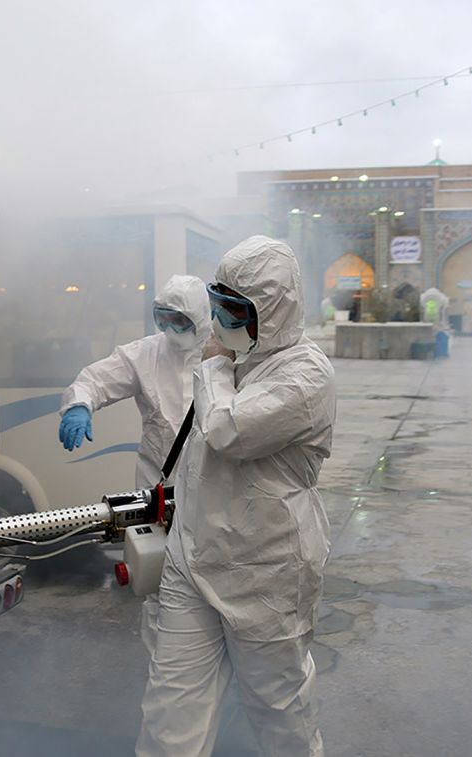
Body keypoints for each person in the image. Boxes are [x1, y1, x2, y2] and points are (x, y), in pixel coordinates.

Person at [137, 236, 336, 757]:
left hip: (264, 572)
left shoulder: (305, 374)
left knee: (279, 715)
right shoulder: (239, 359)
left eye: (234, 309)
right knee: (169, 717)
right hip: (193, 558)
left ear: (271, 311)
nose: (221, 318)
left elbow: (229, 430)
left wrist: (215, 364)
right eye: (218, 302)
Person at [58, 274, 210, 651]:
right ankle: (163, 670)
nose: (172, 328)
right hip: (158, 494)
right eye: (164, 318)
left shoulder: (224, 355)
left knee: (214, 590)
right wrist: (79, 404)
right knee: (157, 586)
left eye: (181, 320)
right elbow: (94, 379)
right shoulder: (145, 354)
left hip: (213, 494)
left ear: (203, 319)